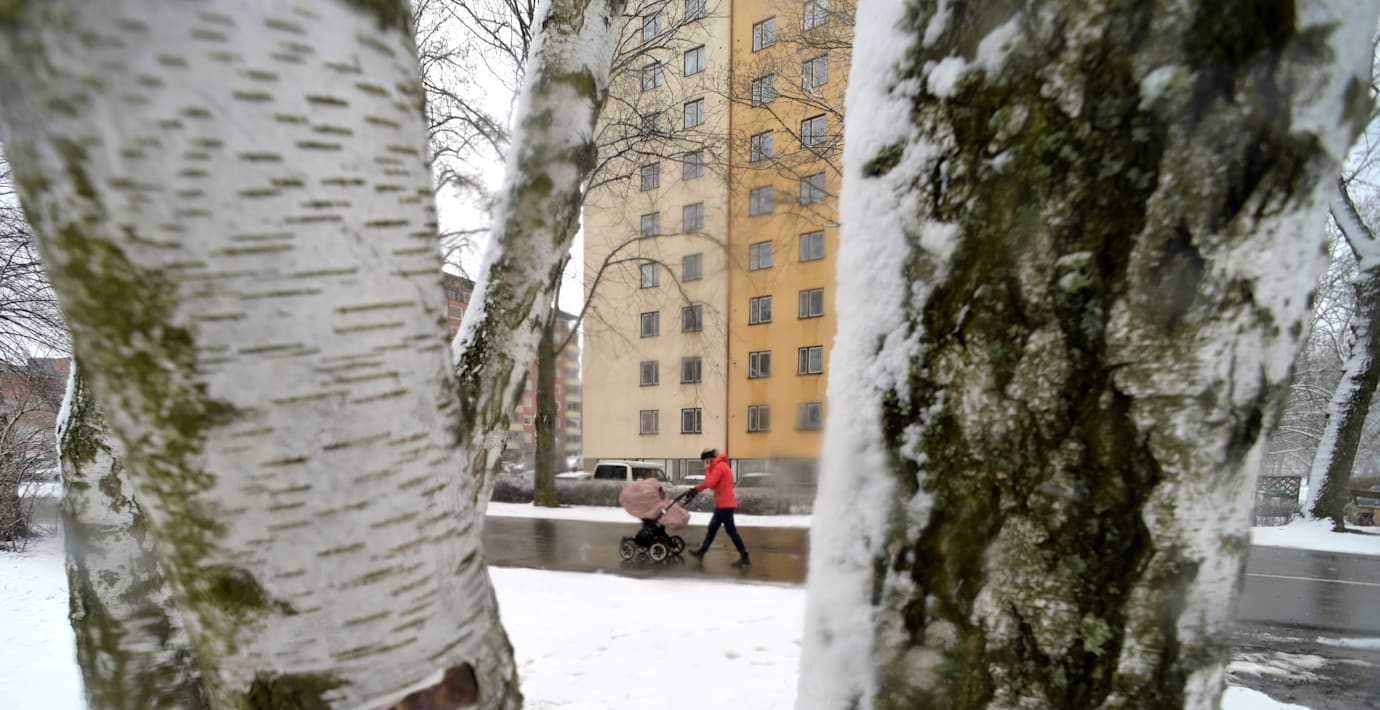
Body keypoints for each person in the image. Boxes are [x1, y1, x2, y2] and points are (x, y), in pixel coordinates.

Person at [688, 448, 750, 567]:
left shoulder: (719, 467)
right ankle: (702, 552)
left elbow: (709, 483)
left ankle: (744, 556)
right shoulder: (719, 466)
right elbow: (712, 485)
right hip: (723, 504)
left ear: (710, 459)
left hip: (725, 505)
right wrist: (696, 489)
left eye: (706, 461)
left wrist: (706, 472)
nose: (705, 464)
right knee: (714, 528)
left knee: (730, 531)